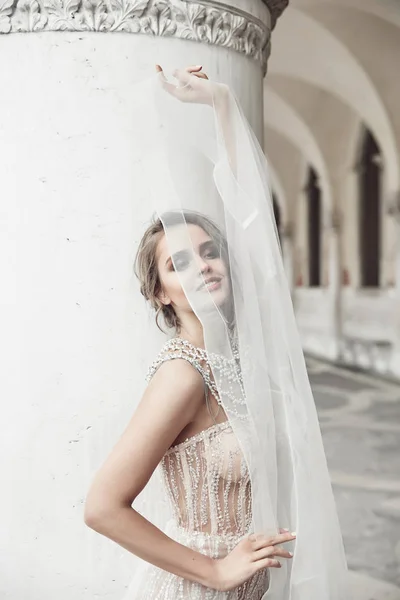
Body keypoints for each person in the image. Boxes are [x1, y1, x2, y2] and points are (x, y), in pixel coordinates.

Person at [84, 65, 348, 600]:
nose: (202, 266)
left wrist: (223, 105)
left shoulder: (241, 363)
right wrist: (215, 572)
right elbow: (102, 506)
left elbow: (255, 225)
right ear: (160, 291)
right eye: (178, 263)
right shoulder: (183, 373)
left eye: (209, 252)